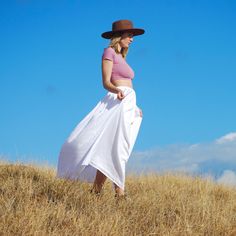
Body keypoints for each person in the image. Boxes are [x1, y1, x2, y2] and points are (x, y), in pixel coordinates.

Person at [56, 19, 145, 199]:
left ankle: (96, 191)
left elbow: (129, 84)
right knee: (116, 146)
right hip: (118, 100)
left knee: (111, 147)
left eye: (132, 36)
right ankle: (120, 193)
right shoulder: (109, 52)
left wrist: (135, 106)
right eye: (129, 35)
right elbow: (106, 82)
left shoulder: (122, 57)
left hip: (127, 103)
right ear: (119, 36)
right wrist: (117, 90)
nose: (132, 39)